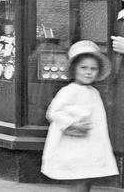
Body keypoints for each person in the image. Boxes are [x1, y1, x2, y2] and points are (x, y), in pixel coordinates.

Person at [41, 40, 118, 191]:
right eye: (83, 68)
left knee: (87, 177)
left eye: (93, 69)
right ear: (74, 70)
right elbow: (54, 112)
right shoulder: (69, 91)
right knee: (79, 179)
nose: (88, 72)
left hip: (89, 145)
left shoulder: (93, 92)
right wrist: (71, 124)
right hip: (73, 144)